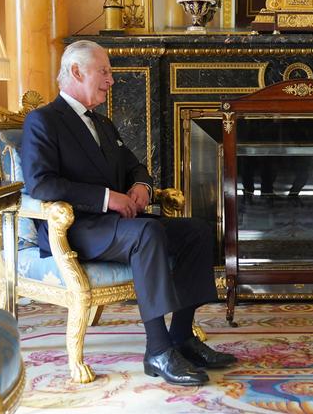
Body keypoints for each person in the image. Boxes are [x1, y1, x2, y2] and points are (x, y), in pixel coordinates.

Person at [21, 40, 237, 387]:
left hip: (115, 225)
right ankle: (158, 349)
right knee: (147, 234)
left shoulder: (102, 124)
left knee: (196, 230)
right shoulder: (43, 121)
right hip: (77, 227)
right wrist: (108, 198)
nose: (111, 80)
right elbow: (42, 185)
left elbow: (135, 166)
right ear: (76, 72)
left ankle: (182, 337)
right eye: (104, 72)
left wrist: (142, 187)